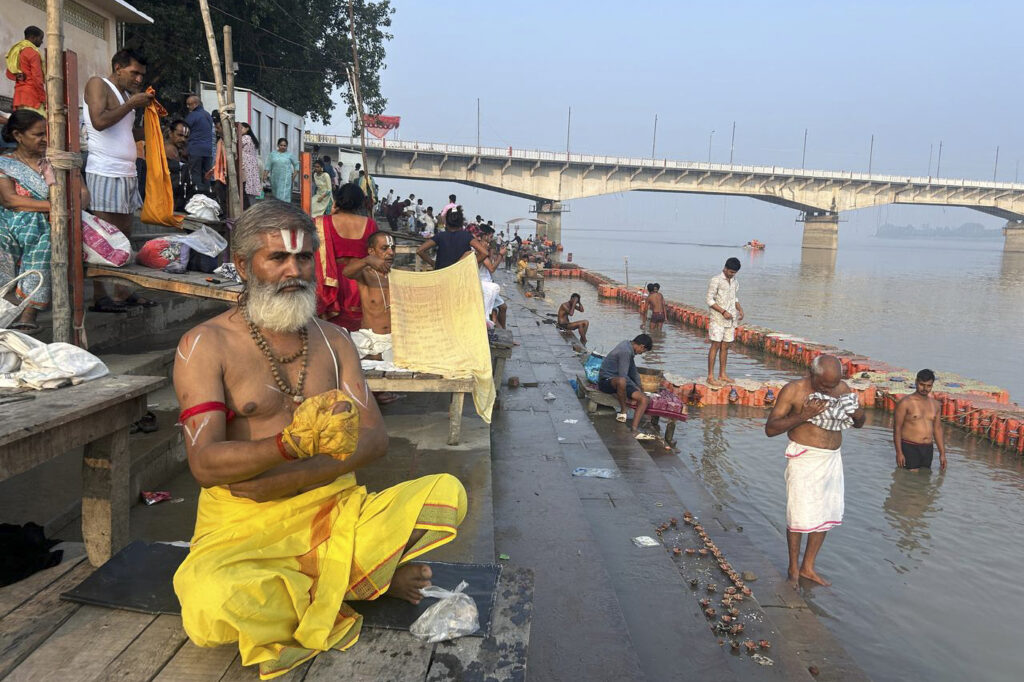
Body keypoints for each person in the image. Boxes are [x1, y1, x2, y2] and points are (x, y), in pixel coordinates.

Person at [170, 200, 466, 679]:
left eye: (304, 258)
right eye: (278, 259)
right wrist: (287, 445)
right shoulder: (205, 345)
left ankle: (336, 579)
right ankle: (358, 581)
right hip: (245, 527)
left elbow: (374, 440)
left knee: (446, 494)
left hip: (332, 508)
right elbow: (205, 463)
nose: (294, 271)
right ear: (244, 265)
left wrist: (288, 475)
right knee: (210, 603)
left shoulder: (334, 340)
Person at [764, 355, 865, 587]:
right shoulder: (794, 390)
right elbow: (770, 429)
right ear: (813, 374)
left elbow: (859, 422)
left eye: (834, 385)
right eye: (825, 386)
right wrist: (803, 416)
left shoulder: (843, 388)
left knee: (825, 513)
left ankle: (808, 567)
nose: (830, 391)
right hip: (805, 458)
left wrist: (859, 416)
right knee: (799, 514)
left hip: (831, 459)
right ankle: (793, 570)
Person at [0, 110, 89, 334]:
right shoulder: (5, 163)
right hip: (9, 221)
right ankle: (10, 301)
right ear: (18, 136)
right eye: (38, 134)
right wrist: (56, 206)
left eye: (45, 134)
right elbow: (10, 200)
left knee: (44, 239)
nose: (45, 139)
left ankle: (29, 312)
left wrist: (74, 178)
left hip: (47, 223)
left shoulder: (55, 161)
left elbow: (83, 197)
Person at [83, 48, 155, 312]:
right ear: (118, 67)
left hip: (126, 172)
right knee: (103, 238)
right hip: (104, 171)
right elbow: (99, 121)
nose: (138, 79)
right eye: (134, 72)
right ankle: (100, 297)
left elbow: (127, 129)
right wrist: (131, 105)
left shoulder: (127, 96)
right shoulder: (97, 84)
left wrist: (152, 122)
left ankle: (123, 293)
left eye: (141, 75)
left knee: (124, 236)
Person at [313, 183, 379, 331]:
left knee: (329, 333)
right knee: (359, 334)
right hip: (359, 283)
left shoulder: (321, 222)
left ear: (337, 200)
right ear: (360, 202)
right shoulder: (371, 224)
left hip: (330, 283)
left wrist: (331, 212)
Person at [343, 231, 395, 361]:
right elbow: (346, 272)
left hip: (395, 340)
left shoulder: (399, 276)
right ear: (371, 251)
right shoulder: (365, 274)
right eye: (384, 248)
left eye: (392, 248)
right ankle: (376, 356)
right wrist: (366, 261)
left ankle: (380, 356)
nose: (391, 252)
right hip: (369, 339)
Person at [598, 334, 653, 439]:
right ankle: (623, 411)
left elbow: (633, 371)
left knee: (644, 399)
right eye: (643, 351)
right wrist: (634, 387)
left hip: (619, 381)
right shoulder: (625, 351)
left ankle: (634, 430)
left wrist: (640, 387)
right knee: (622, 381)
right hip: (606, 381)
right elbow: (623, 375)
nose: (642, 353)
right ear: (641, 346)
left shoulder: (629, 348)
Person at [893, 369, 947, 472]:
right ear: (916, 382)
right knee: (911, 480)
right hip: (910, 446)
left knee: (925, 479)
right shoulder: (905, 403)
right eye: (922, 385)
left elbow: (938, 430)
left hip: (928, 448)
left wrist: (942, 453)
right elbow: (897, 428)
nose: (925, 389)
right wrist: (899, 452)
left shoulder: (935, 405)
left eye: (928, 386)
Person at [706, 257, 744, 386]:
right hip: (717, 318)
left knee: (725, 346)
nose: (732, 274)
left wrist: (740, 309)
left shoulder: (734, 281)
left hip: (731, 319)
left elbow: (734, 298)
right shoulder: (716, 280)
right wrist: (723, 311)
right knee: (715, 345)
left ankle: (722, 374)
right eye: (731, 272)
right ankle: (710, 376)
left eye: (734, 273)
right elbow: (709, 300)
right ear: (725, 268)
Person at [416, 207, 487, 271]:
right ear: (461, 222)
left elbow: (420, 250)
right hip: (458, 275)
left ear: (446, 221)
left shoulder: (440, 236)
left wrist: (432, 263)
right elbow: (484, 253)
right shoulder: (467, 236)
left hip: (441, 274)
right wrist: (468, 265)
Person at [5, 27, 45, 114]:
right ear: (32, 37)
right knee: (38, 124)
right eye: (41, 38)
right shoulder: (33, 53)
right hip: (32, 97)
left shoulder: (16, 51)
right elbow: (37, 78)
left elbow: (9, 73)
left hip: (19, 97)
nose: (42, 42)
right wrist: (43, 98)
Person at [476, 225, 507, 328]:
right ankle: (502, 332)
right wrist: (501, 255)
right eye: (490, 236)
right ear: (485, 236)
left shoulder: (485, 248)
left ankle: (503, 331)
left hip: (487, 282)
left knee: (502, 308)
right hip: (484, 285)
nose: (491, 239)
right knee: (499, 309)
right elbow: (492, 268)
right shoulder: (481, 249)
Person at [184, 94, 213, 192]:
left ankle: (198, 196)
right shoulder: (207, 114)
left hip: (195, 149)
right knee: (207, 175)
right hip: (208, 151)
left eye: (189, 104)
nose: (188, 107)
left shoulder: (192, 115)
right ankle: (208, 194)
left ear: (196, 104)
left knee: (195, 174)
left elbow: (184, 130)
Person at [164, 119, 194, 212]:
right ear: (170, 133)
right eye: (180, 135)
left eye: (186, 137)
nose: (183, 139)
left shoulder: (179, 151)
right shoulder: (168, 149)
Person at [234, 122, 261, 208]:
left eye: (241, 128)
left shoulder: (245, 138)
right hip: (251, 165)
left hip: (246, 165)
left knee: (246, 187)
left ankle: (248, 208)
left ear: (247, 129)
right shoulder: (251, 138)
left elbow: (235, 145)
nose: (239, 130)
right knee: (250, 187)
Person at [264, 137, 298, 202]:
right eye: (281, 145)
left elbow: (296, 164)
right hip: (275, 178)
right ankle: (277, 210)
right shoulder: (273, 154)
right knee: (276, 194)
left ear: (287, 146)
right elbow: (268, 165)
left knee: (284, 196)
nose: (283, 147)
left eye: (284, 145)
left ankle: (285, 209)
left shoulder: (290, 155)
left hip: (286, 179)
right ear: (278, 145)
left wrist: (294, 175)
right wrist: (265, 175)